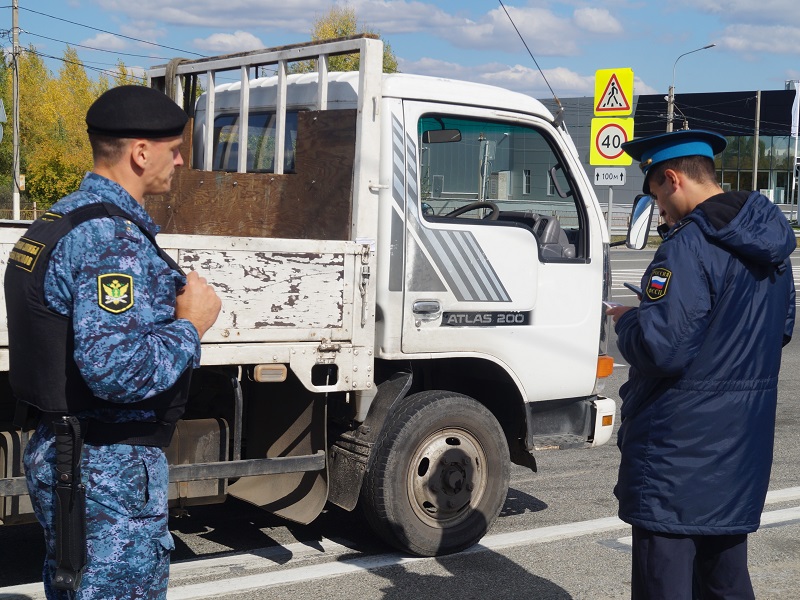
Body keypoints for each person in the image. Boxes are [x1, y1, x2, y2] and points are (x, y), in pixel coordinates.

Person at [5, 85, 222, 599]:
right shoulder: (111, 239)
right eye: (174, 147)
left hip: (68, 453)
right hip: (107, 467)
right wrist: (191, 324)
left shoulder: (59, 219)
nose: (181, 159)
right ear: (140, 153)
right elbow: (115, 370)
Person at [605, 129, 795, 599]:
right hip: (739, 450)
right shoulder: (771, 247)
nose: (661, 212)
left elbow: (661, 349)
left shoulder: (687, 247)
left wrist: (630, 321)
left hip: (676, 456)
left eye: (656, 198)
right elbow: (780, 331)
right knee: (725, 582)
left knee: (664, 584)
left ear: (672, 179)